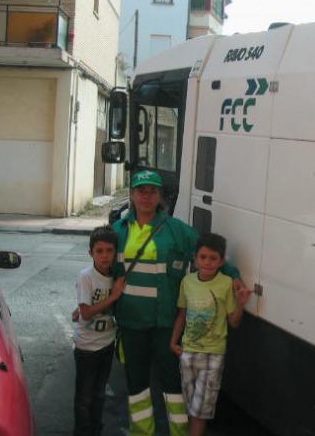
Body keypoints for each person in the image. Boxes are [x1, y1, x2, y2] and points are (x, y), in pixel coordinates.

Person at [112, 169, 245, 436]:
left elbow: (208, 253)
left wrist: (233, 275)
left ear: (159, 196)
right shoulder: (118, 231)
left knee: (173, 383)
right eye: (141, 191)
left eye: (152, 191)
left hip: (165, 322)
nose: (146, 196)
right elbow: (102, 265)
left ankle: (180, 432)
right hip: (130, 322)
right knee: (136, 384)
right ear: (132, 195)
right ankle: (142, 432)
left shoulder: (177, 230)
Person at [169, 233, 251, 436]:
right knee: (190, 406)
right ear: (195, 259)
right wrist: (173, 342)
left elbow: (234, 322)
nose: (207, 262)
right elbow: (182, 314)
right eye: (203, 257)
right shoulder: (187, 281)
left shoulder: (226, 284)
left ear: (222, 262)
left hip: (213, 356)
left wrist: (241, 305)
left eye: (213, 258)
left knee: (200, 411)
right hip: (187, 353)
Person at [73, 225, 125, 436]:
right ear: (90, 253)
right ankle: (82, 431)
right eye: (99, 251)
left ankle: (95, 429)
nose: (104, 256)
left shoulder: (115, 276)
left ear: (115, 252)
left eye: (109, 251)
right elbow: (86, 313)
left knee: (99, 393)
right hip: (86, 348)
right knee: (84, 397)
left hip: (107, 344)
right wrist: (113, 297)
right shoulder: (86, 276)